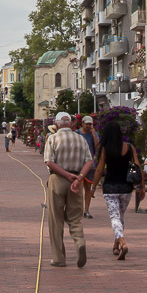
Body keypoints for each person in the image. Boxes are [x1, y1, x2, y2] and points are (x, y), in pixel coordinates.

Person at [44, 112, 93, 268]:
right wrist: (78, 178)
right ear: (71, 124)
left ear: (57, 124)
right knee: (75, 217)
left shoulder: (52, 138)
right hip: (76, 183)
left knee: (55, 219)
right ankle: (79, 243)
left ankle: (58, 258)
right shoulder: (81, 139)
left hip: (58, 178)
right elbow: (89, 161)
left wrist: (66, 175)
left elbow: (49, 162)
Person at [91, 120, 139, 260]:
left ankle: (122, 242)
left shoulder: (105, 149)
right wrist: (141, 186)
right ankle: (116, 244)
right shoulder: (129, 147)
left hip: (110, 187)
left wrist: (93, 187)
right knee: (121, 216)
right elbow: (137, 166)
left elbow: (100, 170)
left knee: (114, 217)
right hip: (126, 187)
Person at [78, 115, 99, 219]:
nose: (88, 126)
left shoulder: (93, 134)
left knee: (88, 189)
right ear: (82, 123)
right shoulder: (77, 133)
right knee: (78, 188)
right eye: (87, 124)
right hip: (78, 165)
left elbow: (98, 146)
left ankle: (86, 210)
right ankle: (77, 209)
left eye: (90, 124)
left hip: (90, 164)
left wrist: (94, 135)